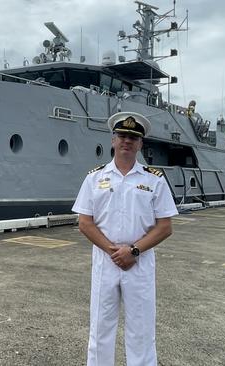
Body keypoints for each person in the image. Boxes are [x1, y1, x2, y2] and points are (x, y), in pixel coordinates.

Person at [72, 111, 178, 366]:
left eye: (133, 137)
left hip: (139, 264)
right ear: (113, 140)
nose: (126, 141)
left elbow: (165, 226)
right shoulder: (94, 177)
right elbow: (84, 223)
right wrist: (114, 251)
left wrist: (133, 251)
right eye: (122, 135)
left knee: (141, 331)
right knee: (100, 329)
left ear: (140, 144)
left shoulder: (154, 179)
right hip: (105, 262)